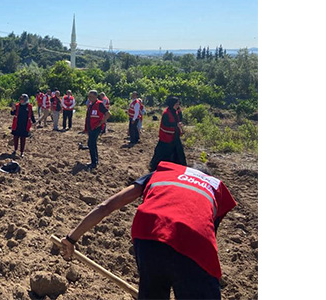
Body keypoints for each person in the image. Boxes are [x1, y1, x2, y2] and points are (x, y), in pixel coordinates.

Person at [59, 161, 237, 299]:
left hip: (149, 232)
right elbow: (206, 232)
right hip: (193, 240)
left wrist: (71, 238)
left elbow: (106, 206)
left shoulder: (163, 173)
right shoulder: (214, 188)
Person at [149, 96, 188, 171]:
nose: (178, 105)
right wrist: (176, 126)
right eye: (177, 103)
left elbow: (178, 120)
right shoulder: (166, 113)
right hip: (166, 138)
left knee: (178, 153)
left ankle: (179, 168)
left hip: (175, 137)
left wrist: (179, 127)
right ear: (172, 104)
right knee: (163, 154)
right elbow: (165, 126)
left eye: (178, 103)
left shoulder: (176, 111)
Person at [82, 90, 109, 169]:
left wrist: (101, 123)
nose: (89, 98)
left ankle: (94, 162)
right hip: (91, 127)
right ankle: (95, 161)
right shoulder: (91, 105)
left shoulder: (99, 104)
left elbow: (108, 114)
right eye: (89, 96)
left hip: (96, 127)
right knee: (92, 144)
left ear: (96, 97)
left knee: (91, 143)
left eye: (91, 97)